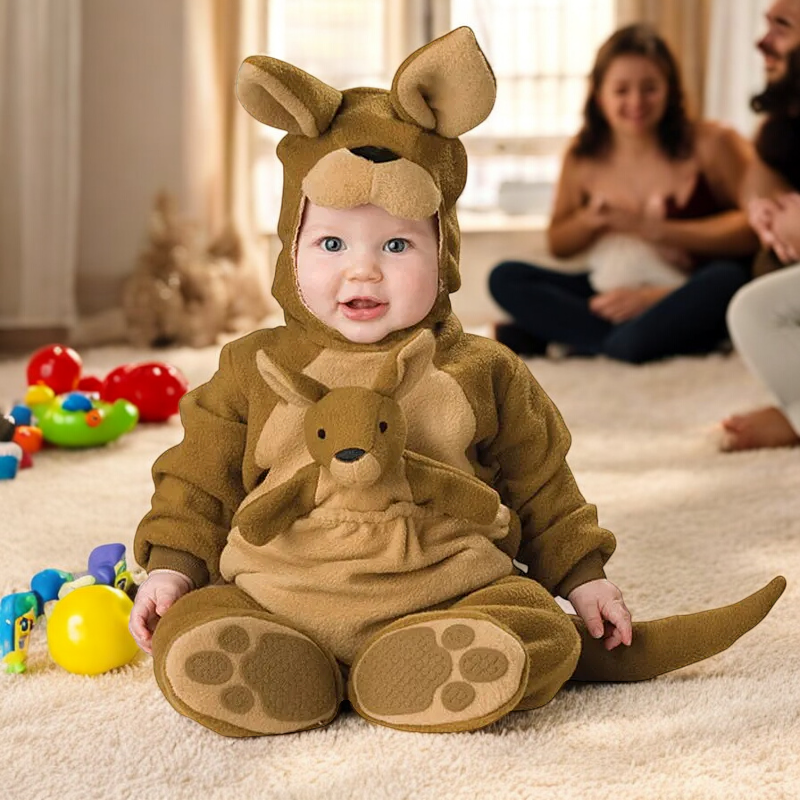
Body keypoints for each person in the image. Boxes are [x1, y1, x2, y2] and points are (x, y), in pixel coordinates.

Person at [128, 28, 782, 738]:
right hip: (281, 590)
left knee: (539, 627)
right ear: (290, 252)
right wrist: (173, 569)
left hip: (446, 589)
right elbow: (197, 479)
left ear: (443, 251)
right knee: (197, 620)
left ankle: (425, 662)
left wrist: (584, 576)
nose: (363, 269)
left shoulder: (481, 370)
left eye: (398, 244)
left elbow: (542, 486)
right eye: (331, 243)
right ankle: (271, 664)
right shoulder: (251, 367)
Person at [489, 24, 758, 363]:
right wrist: (590, 221)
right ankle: (627, 337)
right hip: (609, 288)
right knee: (506, 277)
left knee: (728, 280)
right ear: (600, 96)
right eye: (621, 90)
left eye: (650, 89)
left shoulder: (713, 143)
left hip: (684, 290)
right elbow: (559, 244)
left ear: (671, 90)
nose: (636, 102)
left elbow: (753, 227)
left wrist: (655, 232)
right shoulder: (582, 156)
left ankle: (589, 338)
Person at [721, 4, 800, 451]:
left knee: (754, 310)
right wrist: (763, 209)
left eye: (782, 27)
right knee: (766, 268)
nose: (761, 41)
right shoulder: (784, 118)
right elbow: (759, 171)